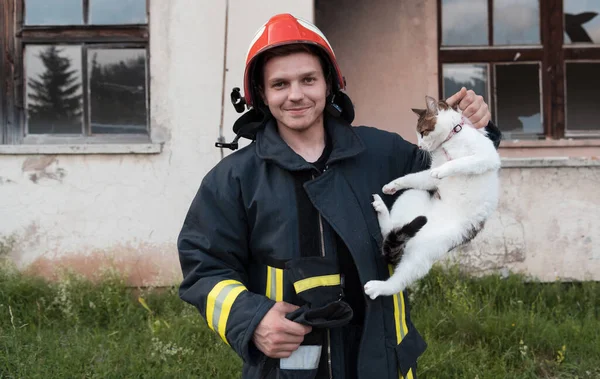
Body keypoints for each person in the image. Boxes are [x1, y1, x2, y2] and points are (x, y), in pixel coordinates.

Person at [178, 13, 500, 379]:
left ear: (329, 84)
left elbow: (453, 187)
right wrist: (252, 319)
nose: (296, 94)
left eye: (308, 79)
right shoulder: (235, 178)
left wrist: (470, 131)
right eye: (280, 84)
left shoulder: (382, 153)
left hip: (383, 363)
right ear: (262, 95)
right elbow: (204, 266)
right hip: (289, 369)